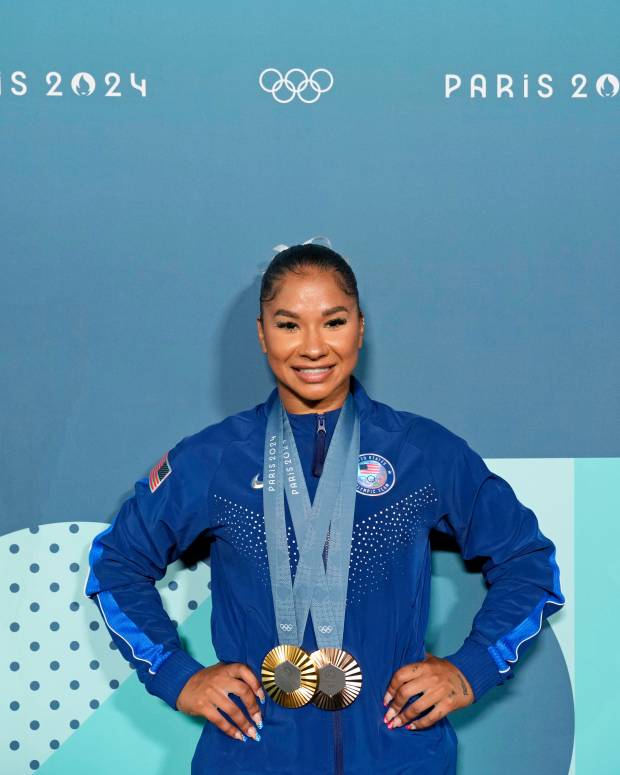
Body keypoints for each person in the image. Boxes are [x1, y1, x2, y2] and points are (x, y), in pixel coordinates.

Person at [85, 241, 565, 774]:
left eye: (332, 322)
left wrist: (471, 667)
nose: (313, 347)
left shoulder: (419, 452)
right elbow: (116, 565)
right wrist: (178, 675)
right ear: (262, 334)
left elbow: (529, 562)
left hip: (399, 756)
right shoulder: (215, 458)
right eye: (289, 325)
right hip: (253, 757)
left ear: (360, 327)